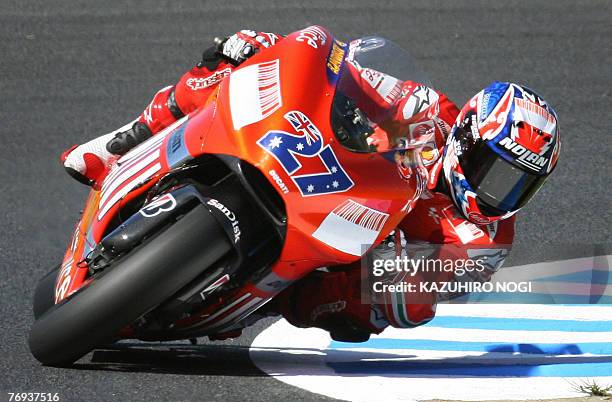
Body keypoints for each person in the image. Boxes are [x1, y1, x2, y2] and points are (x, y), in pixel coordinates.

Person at [61, 28, 561, 341]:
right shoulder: (429, 110)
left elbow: (413, 303)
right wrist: (297, 64)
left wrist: (399, 275)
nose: (497, 191)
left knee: (359, 302)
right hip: (321, 175)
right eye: (495, 169)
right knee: (246, 47)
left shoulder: (484, 239)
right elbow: (350, 75)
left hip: (339, 262)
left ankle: (250, 295)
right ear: (467, 137)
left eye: (519, 183)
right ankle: (121, 144)